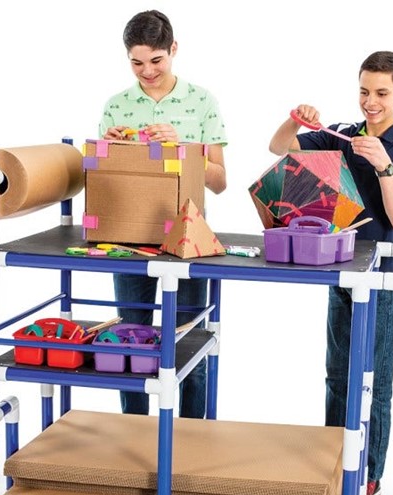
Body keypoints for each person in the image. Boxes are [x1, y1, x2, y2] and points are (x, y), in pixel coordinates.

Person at [268, 51, 393, 495]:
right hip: (339, 266)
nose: (370, 102)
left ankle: (369, 474)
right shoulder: (343, 134)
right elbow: (281, 148)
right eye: (364, 91)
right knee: (338, 373)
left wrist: (384, 166)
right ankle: (333, 464)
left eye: (381, 93)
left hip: (382, 275)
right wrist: (295, 119)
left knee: (374, 378)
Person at [99, 9, 227, 418]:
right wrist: (110, 150)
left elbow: (220, 181)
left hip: (189, 239)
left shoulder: (202, 102)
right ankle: (134, 431)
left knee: (190, 343)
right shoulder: (116, 106)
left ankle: (191, 436)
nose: (148, 71)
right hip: (130, 238)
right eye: (137, 63)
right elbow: (104, 182)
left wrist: (184, 148)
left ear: (173, 49)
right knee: (129, 342)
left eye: (156, 60)